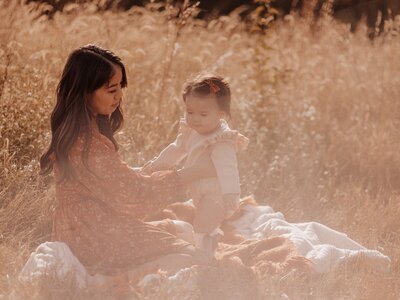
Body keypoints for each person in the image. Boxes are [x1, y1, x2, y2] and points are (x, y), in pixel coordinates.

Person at [39, 44, 214, 283]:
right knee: (193, 258)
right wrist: (193, 173)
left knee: (183, 230)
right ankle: (112, 283)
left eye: (120, 86)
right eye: (111, 89)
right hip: (96, 235)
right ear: (84, 92)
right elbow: (135, 194)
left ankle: (116, 277)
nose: (118, 96)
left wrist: (157, 166)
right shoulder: (87, 143)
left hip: (82, 229)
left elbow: (113, 182)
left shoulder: (78, 133)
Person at [141, 74, 249, 257]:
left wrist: (231, 195)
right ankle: (209, 240)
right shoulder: (192, 131)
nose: (195, 119)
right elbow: (176, 150)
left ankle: (204, 257)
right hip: (199, 191)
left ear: (221, 114)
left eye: (203, 114)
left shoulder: (222, 139)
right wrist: (156, 166)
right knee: (202, 222)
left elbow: (228, 168)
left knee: (202, 224)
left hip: (218, 194)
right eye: (190, 112)